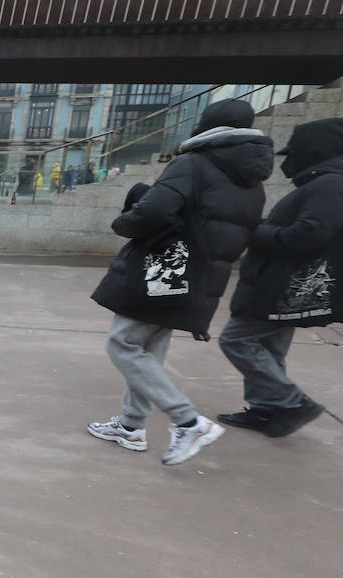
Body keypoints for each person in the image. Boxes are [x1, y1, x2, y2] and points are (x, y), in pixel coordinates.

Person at [87, 100, 273, 466]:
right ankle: (131, 426)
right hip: (201, 277)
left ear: (207, 127)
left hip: (167, 268)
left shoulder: (194, 163)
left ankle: (188, 421)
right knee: (150, 346)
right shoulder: (252, 181)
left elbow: (154, 210)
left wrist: (124, 222)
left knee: (123, 343)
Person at [216, 118, 343, 437]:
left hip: (282, 284)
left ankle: (290, 401)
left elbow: (308, 233)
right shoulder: (325, 183)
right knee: (269, 348)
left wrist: (254, 230)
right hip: (286, 285)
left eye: (293, 153)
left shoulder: (329, 184)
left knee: (236, 340)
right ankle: (268, 410)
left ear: (315, 150)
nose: (287, 161)